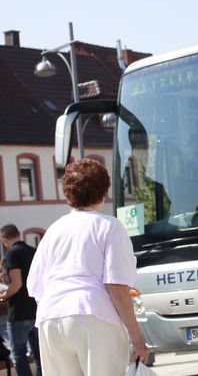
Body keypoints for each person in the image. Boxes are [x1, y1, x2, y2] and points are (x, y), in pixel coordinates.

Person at [26, 158, 149, 376]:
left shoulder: (53, 230)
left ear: (68, 195)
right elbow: (117, 286)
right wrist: (137, 338)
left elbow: (35, 286)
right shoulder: (110, 227)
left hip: (51, 317)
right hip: (94, 314)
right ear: (103, 193)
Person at [0, 223, 41, 376]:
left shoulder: (12, 254)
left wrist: (3, 295)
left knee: (18, 355)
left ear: (4, 239)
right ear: (18, 234)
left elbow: (16, 284)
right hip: (35, 309)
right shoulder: (33, 251)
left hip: (18, 313)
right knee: (39, 355)